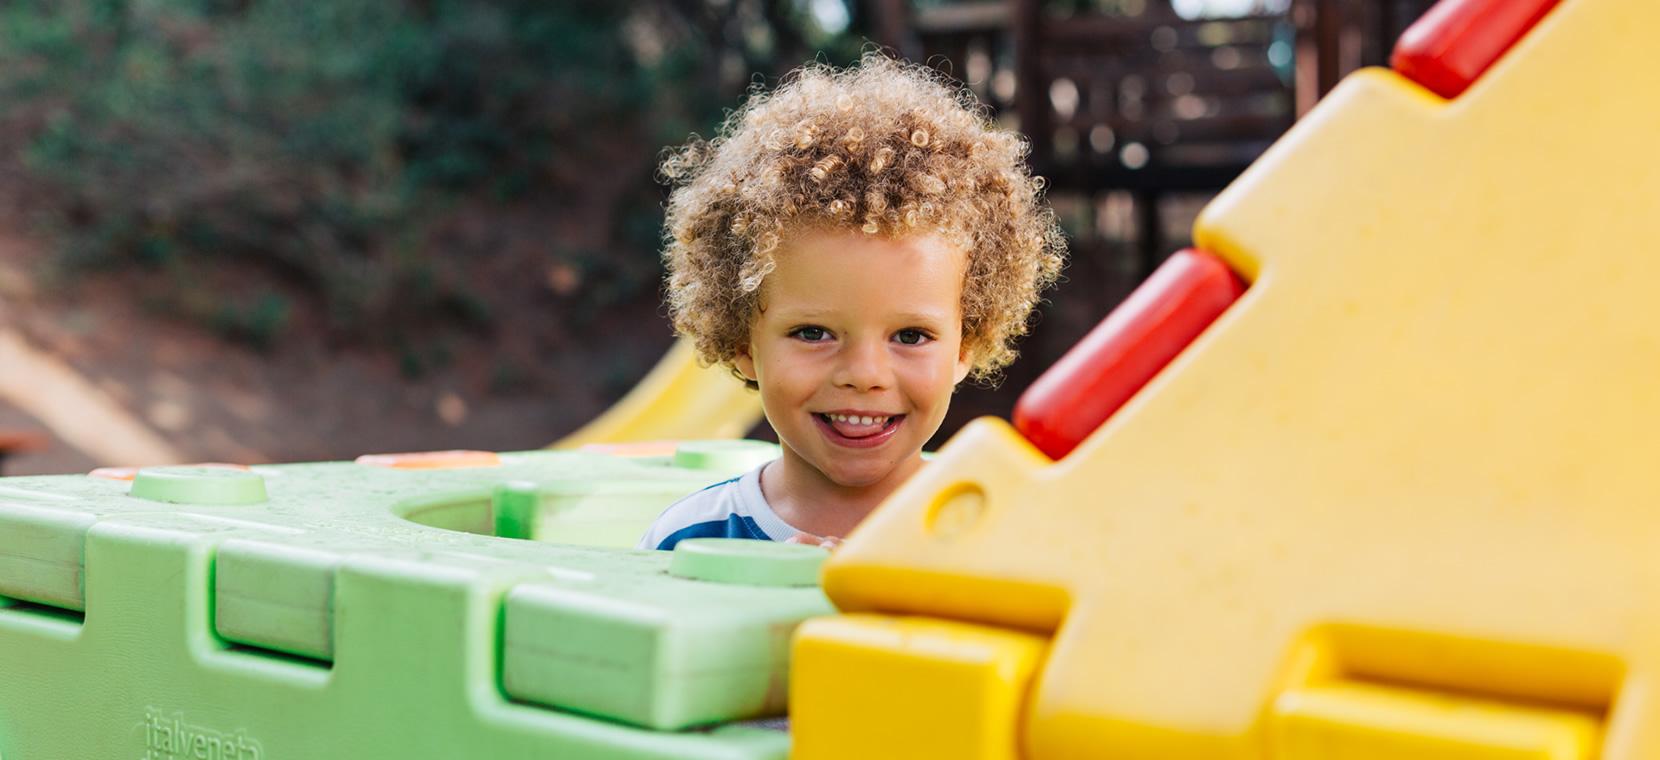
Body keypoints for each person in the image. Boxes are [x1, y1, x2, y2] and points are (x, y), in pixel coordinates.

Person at [637, 53, 1064, 551]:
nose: (865, 374)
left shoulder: (996, 537)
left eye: (910, 336)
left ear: (966, 345)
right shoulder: (685, 541)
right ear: (742, 343)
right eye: (813, 333)